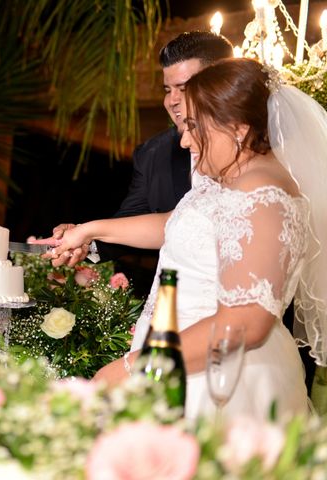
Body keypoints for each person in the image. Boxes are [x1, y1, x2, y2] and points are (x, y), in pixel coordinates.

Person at [47, 58, 327, 421]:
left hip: (221, 379)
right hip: (184, 356)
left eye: (195, 126)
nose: (185, 139)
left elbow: (247, 321)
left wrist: (135, 366)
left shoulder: (263, 194)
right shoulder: (231, 177)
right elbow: (179, 226)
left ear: (238, 129)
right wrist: (90, 229)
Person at [48, 31, 233, 271]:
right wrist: (86, 241)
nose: (171, 101)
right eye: (167, 89)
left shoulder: (259, 150)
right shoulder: (153, 153)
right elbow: (134, 222)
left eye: (183, 88)